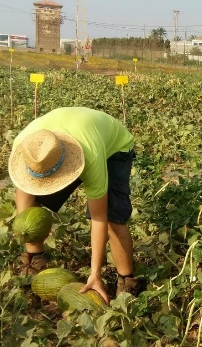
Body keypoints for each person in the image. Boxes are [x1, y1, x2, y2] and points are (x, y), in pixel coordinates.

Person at [8, 107, 139, 303]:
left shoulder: (91, 155)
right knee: (33, 201)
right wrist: (27, 231)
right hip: (71, 133)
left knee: (114, 218)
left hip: (114, 148)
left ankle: (127, 280)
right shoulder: (25, 147)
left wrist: (95, 273)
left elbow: (99, 218)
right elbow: (24, 195)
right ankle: (36, 259)